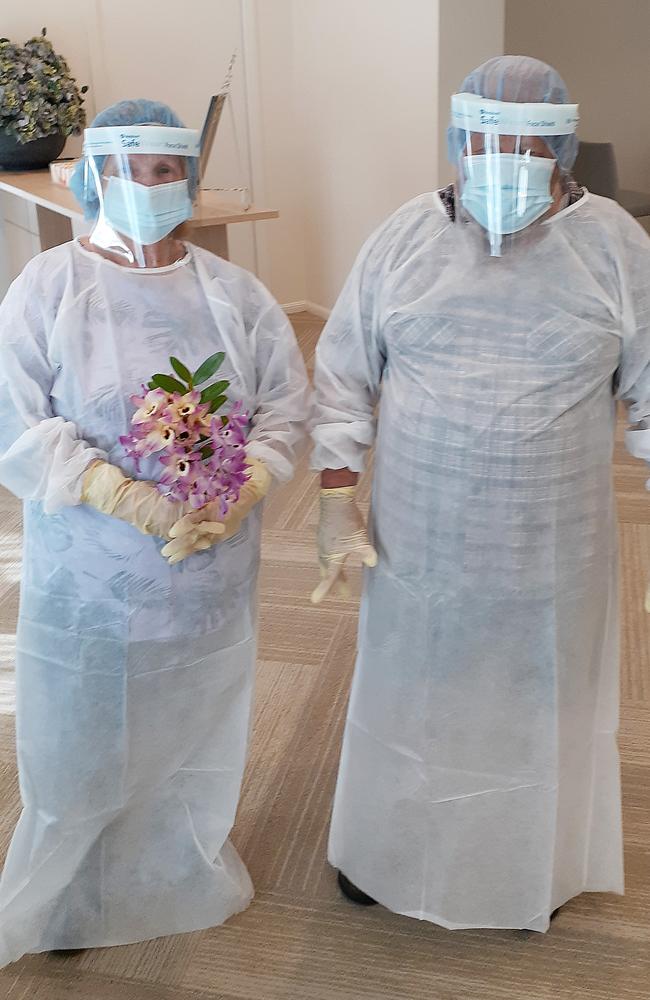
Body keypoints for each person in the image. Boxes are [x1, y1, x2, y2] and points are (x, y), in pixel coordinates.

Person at [310, 56, 650, 932]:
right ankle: (387, 850)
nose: (504, 160)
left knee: (535, 697)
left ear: (562, 148)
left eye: (527, 142)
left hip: (553, 541)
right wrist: (335, 496)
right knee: (415, 688)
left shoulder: (615, 246)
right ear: (458, 142)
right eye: (485, 141)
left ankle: (529, 862)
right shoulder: (403, 240)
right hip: (422, 533)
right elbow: (345, 373)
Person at [0, 99, 310, 965]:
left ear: (191, 176)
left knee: (193, 720)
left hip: (210, 565)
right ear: (98, 176)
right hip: (90, 579)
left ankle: (178, 868)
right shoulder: (49, 287)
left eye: (167, 169)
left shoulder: (234, 295)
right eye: (131, 170)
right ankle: (64, 893)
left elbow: (285, 402)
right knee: (84, 732)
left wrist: (245, 483)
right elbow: (15, 421)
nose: (149, 186)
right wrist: (119, 494)